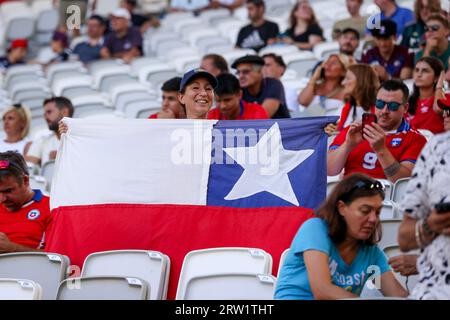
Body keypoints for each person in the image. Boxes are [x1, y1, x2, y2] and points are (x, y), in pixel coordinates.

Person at [275, 173, 408, 300]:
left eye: (378, 212)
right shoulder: (315, 228)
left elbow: (398, 295)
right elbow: (322, 291)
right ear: (341, 208)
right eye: (365, 211)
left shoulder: (371, 253)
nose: (373, 219)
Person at [397, 100, 450, 300]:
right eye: (446, 109)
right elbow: (404, 237)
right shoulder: (437, 148)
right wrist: (431, 225)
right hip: (435, 291)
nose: (446, 114)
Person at [327, 79, 427, 183]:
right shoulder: (354, 130)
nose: (384, 111)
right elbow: (329, 170)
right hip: (349, 194)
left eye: (393, 106)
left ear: (405, 108)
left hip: (386, 197)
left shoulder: (416, 139)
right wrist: (348, 145)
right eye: (380, 104)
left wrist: (381, 150)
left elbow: (403, 182)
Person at [0, 151, 52, 253]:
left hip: (33, 268)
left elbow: (58, 257)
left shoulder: (51, 208)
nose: (2, 199)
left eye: (8, 191)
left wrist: (13, 249)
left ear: (25, 180)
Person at [232, 55, 290, 119]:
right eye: (238, 72)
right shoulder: (238, 89)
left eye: (246, 72)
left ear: (260, 72)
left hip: (281, 128)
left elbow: (262, 116)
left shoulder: (273, 84)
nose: (240, 76)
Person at [25, 97, 74, 167]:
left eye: (49, 112)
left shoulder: (82, 140)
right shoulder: (42, 141)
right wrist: (4, 163)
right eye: (44, 114)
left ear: (64, 112)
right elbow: (26, 166)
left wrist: (62, 156)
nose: (45, 117)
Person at [408, 57, 447, 134]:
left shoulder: (445, 98)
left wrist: (439, 86)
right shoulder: (407, 101)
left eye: (425, 71)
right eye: (416, 70)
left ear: (436, 77)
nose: (419, 74)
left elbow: (439, 109)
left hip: (436, 144)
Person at [337, 64, 380, 131]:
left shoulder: (380, 109)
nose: (343, 83)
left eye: (348, 78)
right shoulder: (347, 107)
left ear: (361, 81)